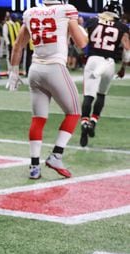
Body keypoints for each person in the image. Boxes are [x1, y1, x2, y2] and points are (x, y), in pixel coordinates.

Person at [6, 0, 88, 179]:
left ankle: (34, 166)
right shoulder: (66, 10)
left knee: (38, 119)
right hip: (55, 68)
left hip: (35, 70)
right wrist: (81, 28)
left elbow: (18, 46)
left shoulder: (31, 13)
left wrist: (13, 71)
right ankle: (56, 156)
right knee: (74, 112)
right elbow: (81, 43)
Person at [79, 0, 129, 147]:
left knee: (88, 96)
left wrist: (82, 54)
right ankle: (93, 121)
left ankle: (84, 123)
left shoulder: (92, 21)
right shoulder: (122, 26)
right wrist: (123, 67)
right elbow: (127, 49)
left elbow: (82, 40)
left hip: (93, 60)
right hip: (109, 63)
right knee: (101, 95)